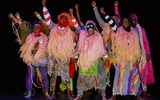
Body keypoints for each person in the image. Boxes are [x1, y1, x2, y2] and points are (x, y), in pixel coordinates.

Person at [70, 8, 109, 100]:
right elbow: (76, 24)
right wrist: (72, 14)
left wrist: (106, 58)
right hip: (85, 61)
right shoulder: (83, 35)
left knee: (101, 77)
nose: (90, 29)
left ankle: (103, 95)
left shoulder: (98, 37)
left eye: (91, 27)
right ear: (86, 29)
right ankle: (79, 94)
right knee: (81, 77)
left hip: (96, 61)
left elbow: (103, 49)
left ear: (94, 28)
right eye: (88, 27)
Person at [42, 0, 77, 99]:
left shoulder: (69, 31)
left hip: (64, 57)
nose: (62, 20)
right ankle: (52, 93)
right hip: (55, 56)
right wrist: (44, 6)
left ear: (66, 21)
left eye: (64, 19)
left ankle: (69, 93)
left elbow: (75, 25)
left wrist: (71, 14)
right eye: (61, 18)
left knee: (66, 76)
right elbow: (48, 20)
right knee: (54, 75)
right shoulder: (54, 27)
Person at [111, 18, 142, 100]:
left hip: (132, 57)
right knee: (119, 75)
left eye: (127, 21)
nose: (125, 22)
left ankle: (136, 93)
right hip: (122, 57)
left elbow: (137, 46)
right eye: (124, 21)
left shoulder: (134, 33)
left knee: (135, 74)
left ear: (129, 23)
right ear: (122, 23)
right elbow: (112, 23)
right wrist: (104, 14)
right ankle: (115, 94)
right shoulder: (118, 30)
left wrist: (137, 57)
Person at [130, 14, 155, 96]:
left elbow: (146, 42)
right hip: (133, 54)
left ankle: (144, 91)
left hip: (142, 54)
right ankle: (135, 90)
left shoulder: (141, 29)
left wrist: (148, 53)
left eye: (134, 18)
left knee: (143, 71)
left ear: (137, 19)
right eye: (131, 18)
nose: (133, 19)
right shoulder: (130, 30)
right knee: (134, 72)